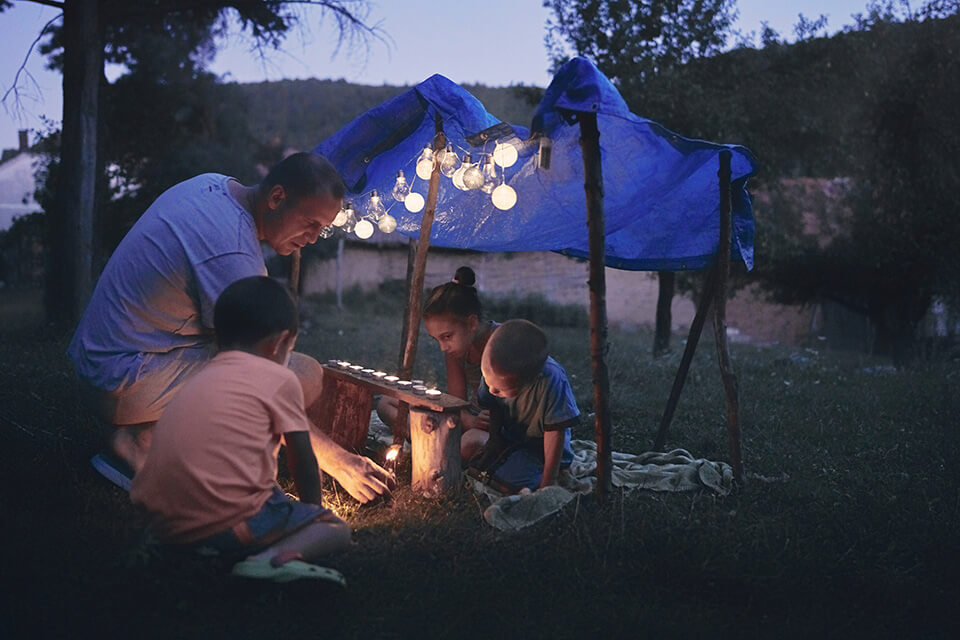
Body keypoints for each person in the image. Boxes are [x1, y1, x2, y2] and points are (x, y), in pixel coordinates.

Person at [68, 152, 393, 502]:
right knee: (298, 375)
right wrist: (340, 462)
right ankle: (139, 446)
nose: (313, 238)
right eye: (310, 223)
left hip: (104, 356)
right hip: (120, 379)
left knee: (291, 369)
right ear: (277, 197)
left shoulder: (214, 186)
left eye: (321, 229)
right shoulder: (232, 252)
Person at [131, 276, 351, 583]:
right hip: (227, 525)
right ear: (279, 344)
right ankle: (267, 561)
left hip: (163, 526)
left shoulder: (200, 379)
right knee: (336, 530)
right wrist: (310, 513)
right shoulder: (280, 378)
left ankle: (179, 553)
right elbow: (301, 457)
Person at [376, 266, 497, 449]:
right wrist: (467, 420)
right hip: (468, 419)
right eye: (437, 339)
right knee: (387, 403)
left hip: (490, 427)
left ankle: (435, 442)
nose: (442, 347)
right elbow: (456, 403)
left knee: (470, 442)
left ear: (471, 323)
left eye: (447, 337)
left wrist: (476, 423)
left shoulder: (501, 343)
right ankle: (427, 440)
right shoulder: (455, 350)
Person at [468, 319, 580, 493]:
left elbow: (555, 433)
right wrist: (494, 440)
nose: (491, 389)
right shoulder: (493, 368)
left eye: (499, 389)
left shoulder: (552, 381)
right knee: (468, 447)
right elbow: (494, 408)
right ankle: (504, 475)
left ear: (529, 380)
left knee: (512, 478)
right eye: (487, 381)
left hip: (540, 451)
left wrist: (547, 484)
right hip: (510, 439)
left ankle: (531, 481)